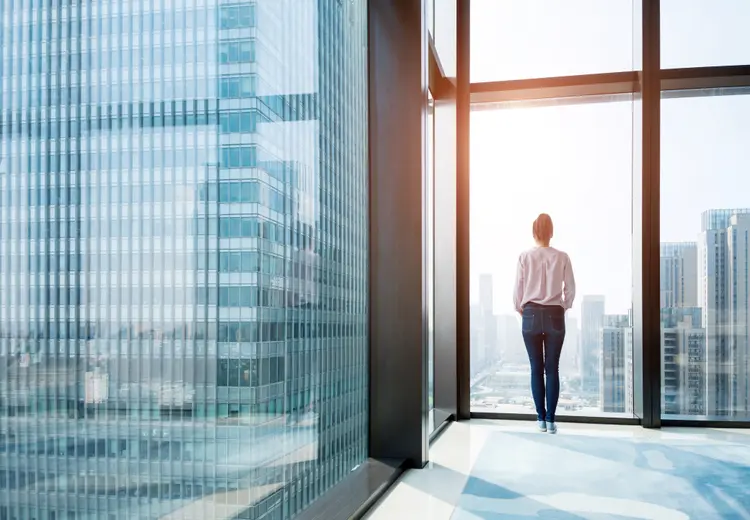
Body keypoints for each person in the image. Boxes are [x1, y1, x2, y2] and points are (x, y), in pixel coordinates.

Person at [513, 213, 575, 434]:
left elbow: (517, 292)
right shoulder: (562, 257)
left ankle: (540, 419)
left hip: (529, 313)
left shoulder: (524, 256)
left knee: (536, 369)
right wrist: (562, 306)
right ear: (551, 233)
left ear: (533, 232)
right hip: (554, 314)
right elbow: (570, 289)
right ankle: (550, 421)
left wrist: (523, 310)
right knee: (552, 369)